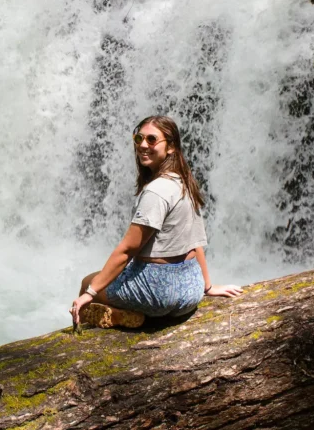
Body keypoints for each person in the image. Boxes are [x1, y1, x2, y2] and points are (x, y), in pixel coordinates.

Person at [70, 115, 243, 329]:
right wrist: (206, 286)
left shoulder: (156, 191)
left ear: (170, 147)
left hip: (158, 291)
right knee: (129, 286)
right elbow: (196, 242)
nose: (143, 145)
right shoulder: (184, 182)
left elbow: (127, 250)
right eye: (139, 138)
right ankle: (127, 314)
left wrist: (89, 293)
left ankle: (101, 327)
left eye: (152, 140)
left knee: (88, 281)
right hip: (190, 290)